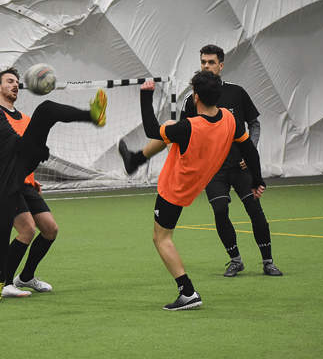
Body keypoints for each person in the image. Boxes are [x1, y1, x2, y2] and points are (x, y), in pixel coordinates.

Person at [0, 54, 106, 302]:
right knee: (6, 226)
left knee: (46, 109)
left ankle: (92, 114)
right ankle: (0, 281)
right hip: (1, 169)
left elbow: (11, 133)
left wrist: (36, 148)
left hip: (19, 153)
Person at [119, 44, 282, 277]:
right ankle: (235, 260)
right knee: (220, 211)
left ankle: (268, 261)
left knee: (254, 210)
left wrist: (253, 166)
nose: (206, 65)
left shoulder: (236, 93)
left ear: (221, 65)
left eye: (211, 62)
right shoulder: (195, 102)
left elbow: (252, 129)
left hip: (237, 167)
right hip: (213, 170)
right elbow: (181, 133)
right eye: (203, 62)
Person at [139, 71, 266, 310]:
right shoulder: (229, 118)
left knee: (161, 238)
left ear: (196, 97)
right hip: (200, 181)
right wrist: (257, 180)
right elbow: (249, 148)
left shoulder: (188, 127)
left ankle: (187, 292)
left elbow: (151, 130)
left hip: (175, 186)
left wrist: (146, 96)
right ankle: (134, 159)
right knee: (169, 128)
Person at [0, 67, 58, 299]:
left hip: (24, 183)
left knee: (50, 229)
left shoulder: (26, 120)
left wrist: (30, 178)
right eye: (9, 81)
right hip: (3, 184)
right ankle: (5, 284)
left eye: (17, 82)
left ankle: (25, 277)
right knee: (27, 229)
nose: (15, 85)